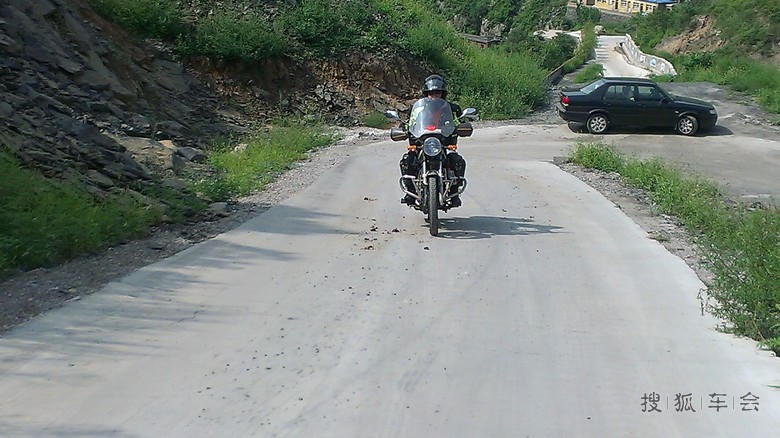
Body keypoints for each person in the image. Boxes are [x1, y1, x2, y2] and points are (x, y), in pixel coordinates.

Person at [400, 74, 467, 207]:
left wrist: (463, 127)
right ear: (426, 93)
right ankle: (410, 193)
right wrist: (402, 129)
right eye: (431, 93)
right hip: (421, 143)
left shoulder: (452, 108)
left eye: (438, 92)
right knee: (407, 160)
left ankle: (454, 193)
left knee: (457, 161)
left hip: (444, 143)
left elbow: (461, 122)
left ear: (443, 93)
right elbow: (408, 123)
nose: (435, 95)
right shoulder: (417, 108)